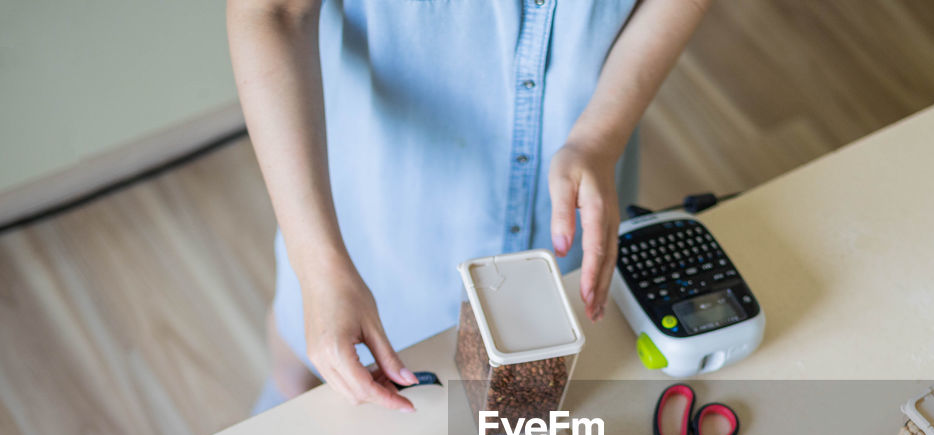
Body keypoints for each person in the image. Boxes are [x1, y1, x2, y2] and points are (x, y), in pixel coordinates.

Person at [227, 0, 712, 412]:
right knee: (302, 371)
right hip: (369, 219)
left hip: (568, 198)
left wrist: (600, 137)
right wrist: (318, 270)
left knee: (511, 407)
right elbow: (274, 12)